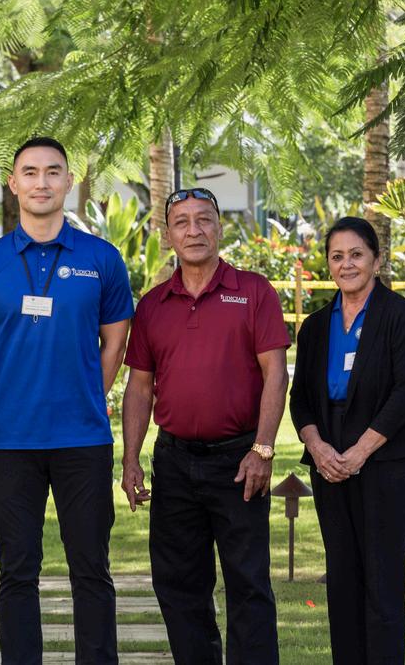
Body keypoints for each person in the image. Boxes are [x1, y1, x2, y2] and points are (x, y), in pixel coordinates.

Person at [0, 137, 133, 665]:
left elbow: (115, 342)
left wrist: (87, 395)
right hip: (9, 440)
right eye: (30, 172)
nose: (42, 182)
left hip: (83, 437)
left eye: (53, 171)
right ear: (13, 184)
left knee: (91, 570)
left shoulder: (102, 259)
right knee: (16, 571)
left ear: (69, 181)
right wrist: (8, 398)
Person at [121, 187, 289, 665]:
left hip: (239, 461)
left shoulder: (253, 291)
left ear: (220, 227)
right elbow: (139, 388)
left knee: (248, 585)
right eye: (182, 222)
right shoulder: (152, 305)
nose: (193, 230)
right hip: (173, 463)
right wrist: (131, 460)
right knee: (179, 585)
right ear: (168, 234)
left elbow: (276, 374)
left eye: (204, 220)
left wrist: (262, 449)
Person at [288, 216, 405, 664]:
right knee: (342, 582)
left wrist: (360, 452)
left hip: (384, 464)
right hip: (330, 466)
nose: (346, 264)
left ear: (376, 260)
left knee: (382, 585)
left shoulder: (398, 315)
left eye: (356, 255)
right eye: (337, 256)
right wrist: (319, 449)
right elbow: (300, 399)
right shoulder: (314, 326)